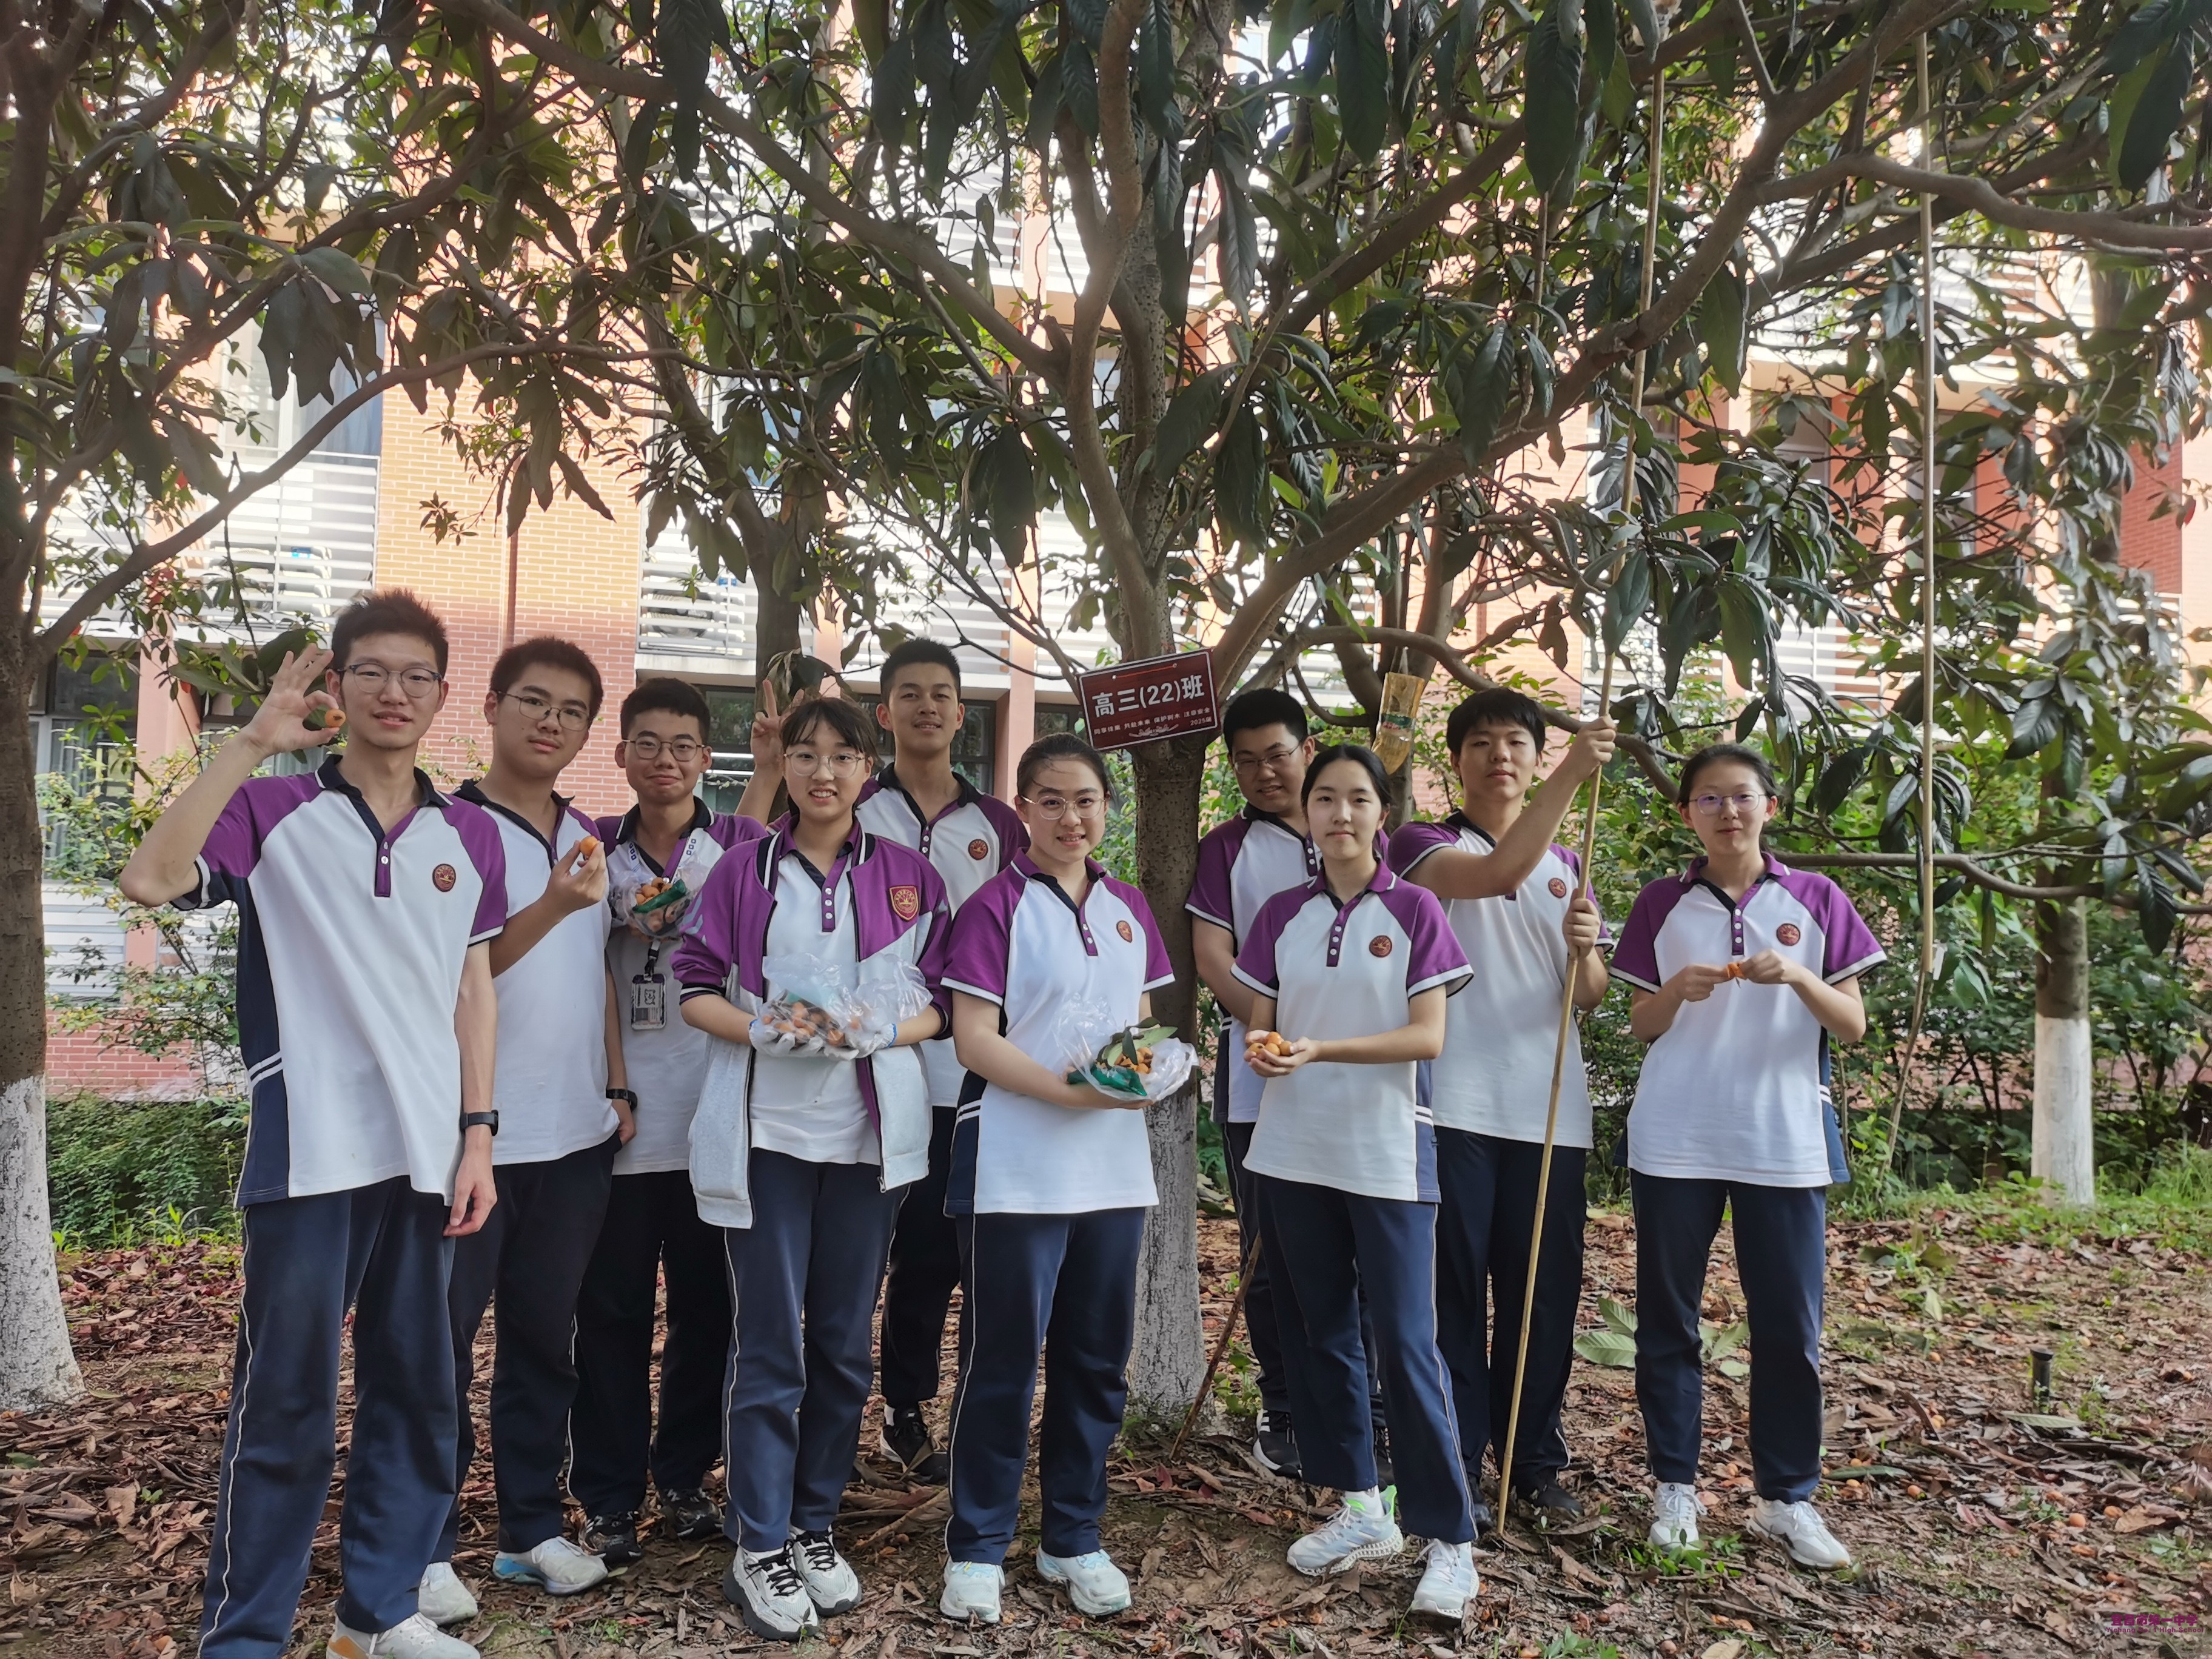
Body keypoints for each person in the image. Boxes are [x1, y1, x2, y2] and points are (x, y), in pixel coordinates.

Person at [118, 591, 504, 1659]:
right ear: (336, 684)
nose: (394, 692)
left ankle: (376, 1615)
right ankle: (244, 1635)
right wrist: (249, 742)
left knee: (419, 1391)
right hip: (311, 1144)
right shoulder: (273, 809)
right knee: (287, 1399)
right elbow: (150, 879)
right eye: (370, 671)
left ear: (441, 694)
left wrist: (479, 1134)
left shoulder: (467, 832)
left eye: (415, 676)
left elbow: (473, 989)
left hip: (430, 1152)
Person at [672, 695, 951, 1642]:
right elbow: (694, 986)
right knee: (769, 1346)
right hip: (767, 1140)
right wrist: (763, 1027)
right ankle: (758, 1541)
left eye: (842, 755)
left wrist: (882, 1030)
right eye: (805, 754)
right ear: (783, 765)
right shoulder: (744, 870)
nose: (823, 772)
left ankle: (812, 1523)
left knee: (841, 1345)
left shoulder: (910, 877)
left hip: (869, 1143)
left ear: (868, 769)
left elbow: (943, 1003)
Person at [1607, 743, 1883, 1570]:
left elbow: (1852, 1025)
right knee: (1668, 1321)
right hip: (1675, 1137)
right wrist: (1675, 990)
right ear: (1685, 813)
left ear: (1770, 806)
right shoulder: (1661, 902)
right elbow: (1640, 1024)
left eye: (1742, 796)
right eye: (1709, 799)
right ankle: (1675, 1487)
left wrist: (1799, 975)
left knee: (1790, 1327)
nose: (1727, 812)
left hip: (1784, 1140)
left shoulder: (1817, 898)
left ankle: (1786, 1498)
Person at [936, 734, 1175, 1626]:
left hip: (1112, 1172)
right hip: (1016, 1166)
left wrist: (1138, 1075)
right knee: (1001, 1362)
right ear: (1023, 810)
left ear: (1107, 807)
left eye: (1086, 800)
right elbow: (974, 1040)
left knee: (1095, 1362)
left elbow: (1140, 1025)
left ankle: (1073, 1536)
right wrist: (1070, 1092)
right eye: (1051, 801)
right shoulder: (994, 906)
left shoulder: (1127, 907)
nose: (1071, 818)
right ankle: (977, 1547)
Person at [1236, 744, 1478, 1624]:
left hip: (1387, 1153)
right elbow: (1261, 1024)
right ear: (1306, 813)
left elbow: (1428, 1037)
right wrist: (1265, 1047)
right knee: (1321, 1334)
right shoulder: (1281, 914)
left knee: (1408, 1343)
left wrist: (1321, 1049)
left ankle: (1450, 1541)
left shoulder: (1415, 908)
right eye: (1325, 799)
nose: (1340, 814)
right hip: (1292, 1151)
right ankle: (1362, 1506)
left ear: (1383, 814)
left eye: (1358, 800)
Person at [421, 640, 623, 1620]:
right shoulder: (448, 828)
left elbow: (599, 975)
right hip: (473, 1142)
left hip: (574, 1139)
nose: (551, 722)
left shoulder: (587, 834)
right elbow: (457, 975)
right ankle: (420, 1545)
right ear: (492, 706)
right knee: (439, 1349)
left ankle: (529, 1529)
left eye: (572, 711)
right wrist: (550, 903)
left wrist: (616, 1085)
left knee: (546, 1345)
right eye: (533, 702)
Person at [1390, 689, 1616, 1530]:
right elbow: (1496, 875)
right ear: (1456, 760)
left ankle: (1534, 1463)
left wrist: (1586, 949)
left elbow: (1586, 995)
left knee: (1542, 1296)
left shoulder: (1568, 863)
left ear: (1534, 754)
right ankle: (1455, 1461)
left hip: (1550, 1111)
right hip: (1455, 1103)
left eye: (1518, 743)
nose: (1501, 757)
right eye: (1482, 743)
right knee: (1452, 1293)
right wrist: (1573, 773)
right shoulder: (1424, 845)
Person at [571, 678, 767, 1564]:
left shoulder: (741, 848)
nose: (665, 760)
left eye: (684, 745)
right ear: (621, 755)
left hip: (715, 1113)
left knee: (707, 1309)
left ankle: (685, 1477)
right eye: (647, 743)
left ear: (705, 758)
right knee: (609, 1312)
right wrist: (612, 1085)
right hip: (616, 1118)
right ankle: (609, 1498)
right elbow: (577, 972)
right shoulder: (589, 850)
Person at [853, 640, 1026, 1483]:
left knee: (941, 1250)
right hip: (868, 1066)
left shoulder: (1000, 825)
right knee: (859, 1253)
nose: (927, 706)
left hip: (967, 1068)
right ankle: (841, 1417)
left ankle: (911, 1408)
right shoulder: (853, 804)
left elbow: (1027, 927)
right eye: (909, 693)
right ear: (884, 712)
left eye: (941, 695)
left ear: (962, 714)